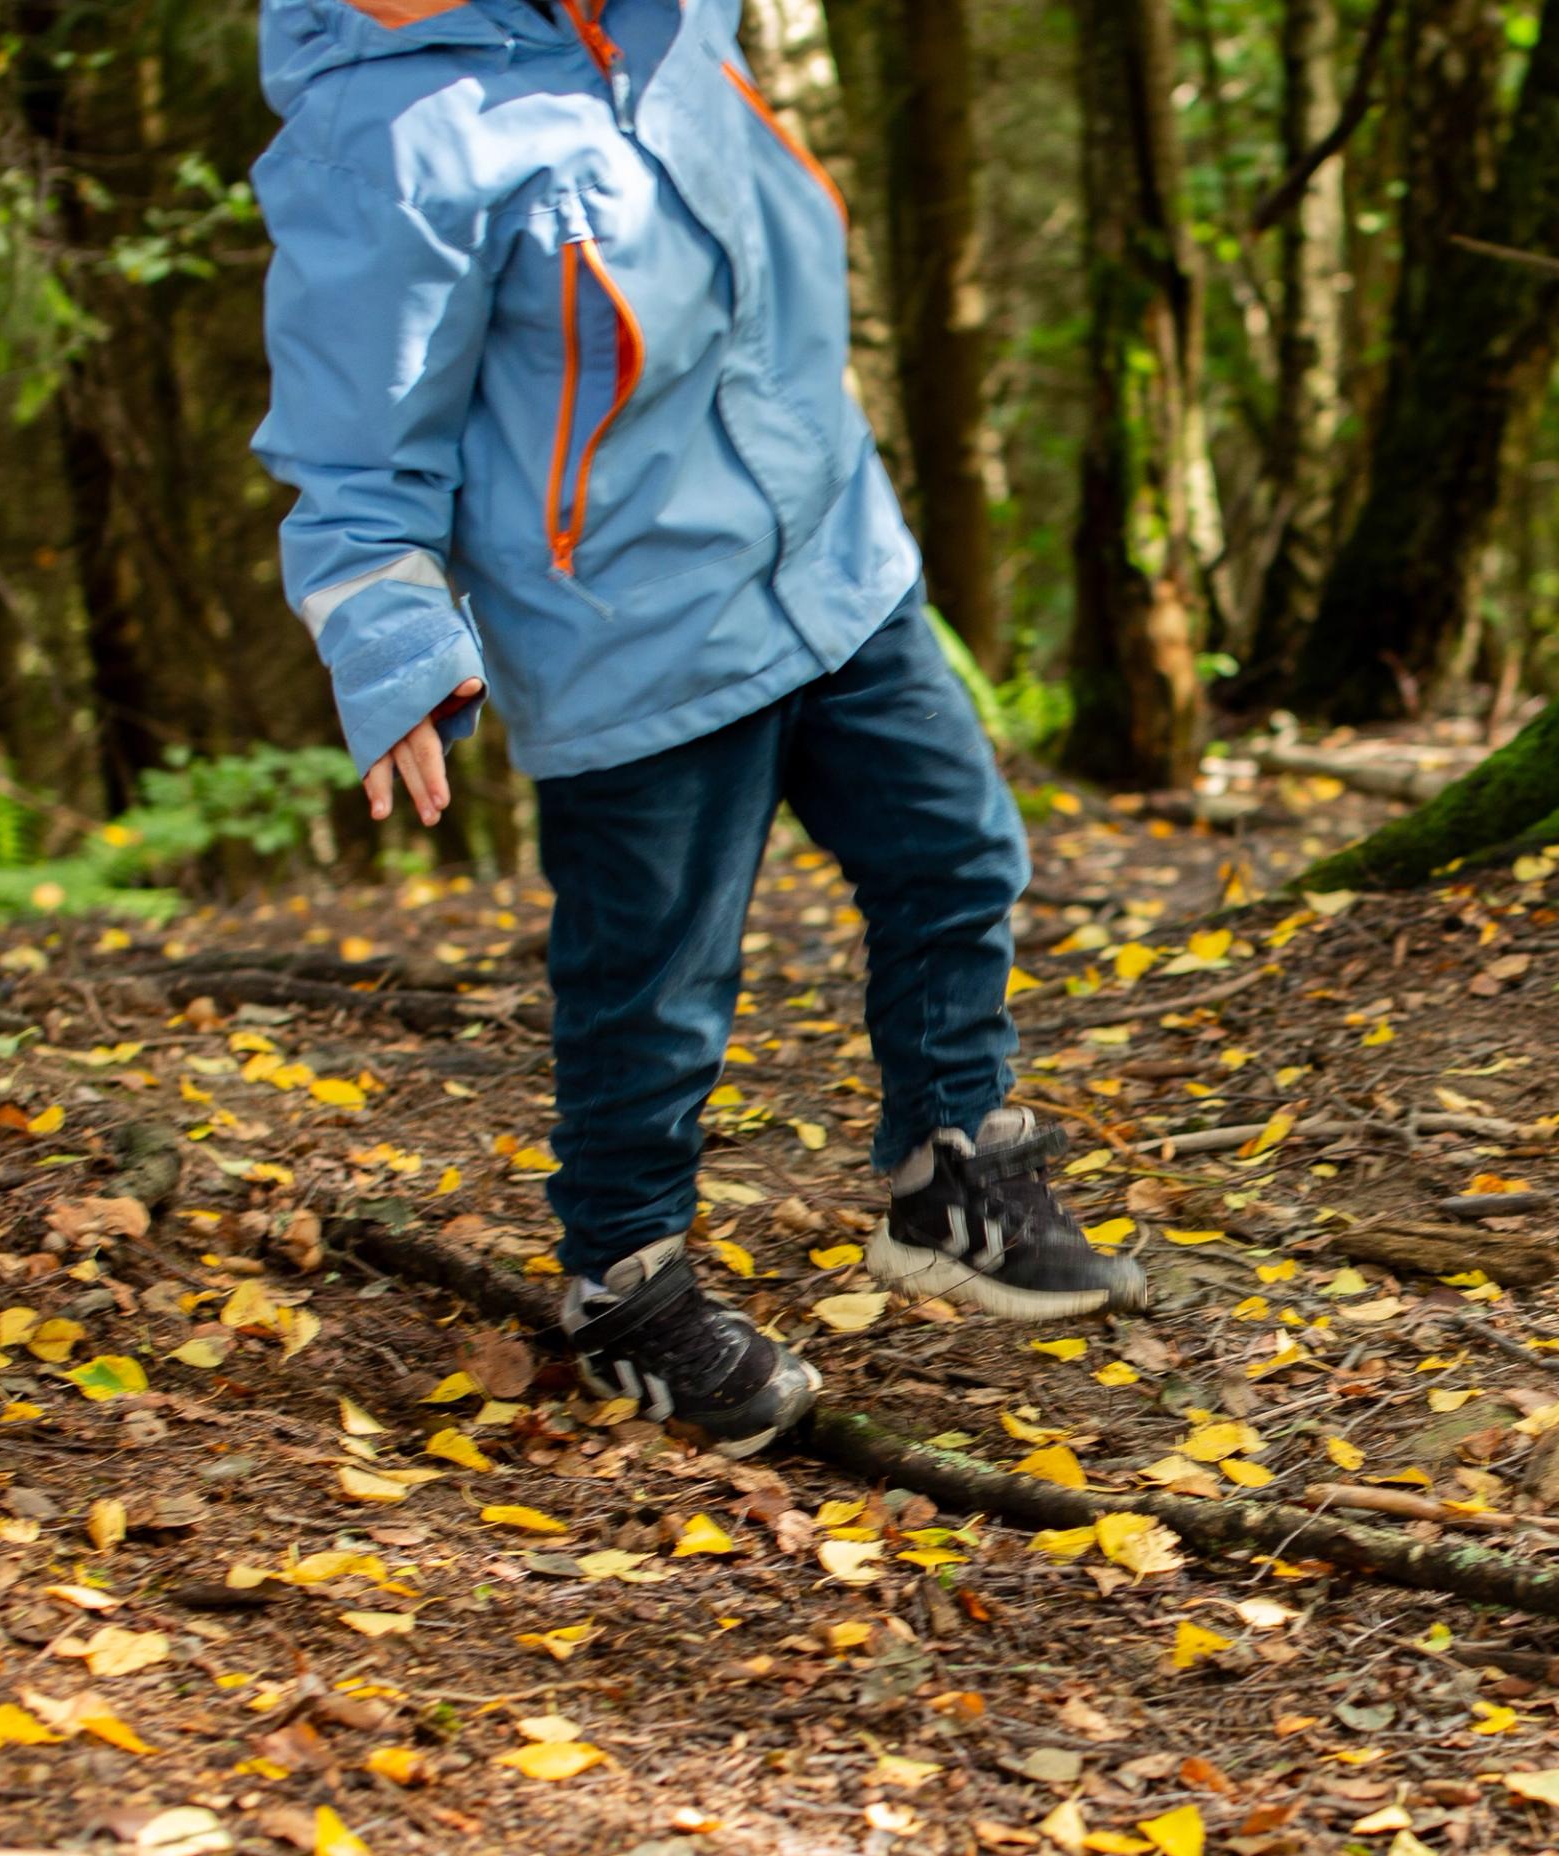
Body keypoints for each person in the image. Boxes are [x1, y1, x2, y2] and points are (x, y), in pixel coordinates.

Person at [250, 0, 1144, 1456]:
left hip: (834, 560)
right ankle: (625, 1284)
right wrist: (395, 643)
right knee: (655, 986)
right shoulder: (389, 132)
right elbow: (354, 448)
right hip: (629, 626)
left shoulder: (676, 20)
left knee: (956, 855)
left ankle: (951, 1175)